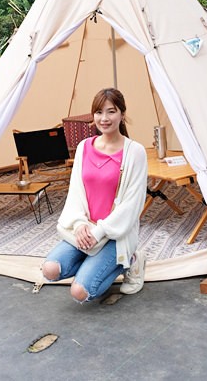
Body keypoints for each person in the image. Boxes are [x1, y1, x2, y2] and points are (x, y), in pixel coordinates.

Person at [40, 87, 148, 302]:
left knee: (80, 293)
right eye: (99, 112)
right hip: (85, 231)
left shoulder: (135, 152)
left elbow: (132, 205)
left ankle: (132, 260)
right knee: (50, 270)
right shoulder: (84, 147)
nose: (104, 118)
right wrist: (79, 224)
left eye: (111, 111)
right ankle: (93, 264)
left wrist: (99, 232)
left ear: (122, 115)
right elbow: (76, 192)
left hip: (114, 234)